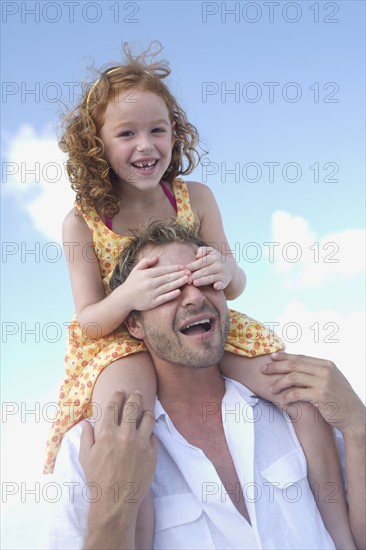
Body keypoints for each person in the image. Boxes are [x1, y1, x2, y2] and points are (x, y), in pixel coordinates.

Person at [43, 42, 347, 546]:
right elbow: (89, 320)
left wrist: (223, 268)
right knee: (127, 430)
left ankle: (340, 532)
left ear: (174, 132)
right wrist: (131, 295)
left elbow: (238, 282)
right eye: (126, 134)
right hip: (120, 338)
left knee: (299, 395)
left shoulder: (195, 197)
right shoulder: (81, 221)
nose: (146, 145)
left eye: (157, 130)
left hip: (201, 322)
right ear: (96, 146)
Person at [48, 221, 365, 550]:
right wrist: (112, 511)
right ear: (133, 323)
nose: (194, 297)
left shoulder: (295, 403)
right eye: (167, 288)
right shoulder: (92, 450)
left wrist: (359, 425)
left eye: (205, 279)